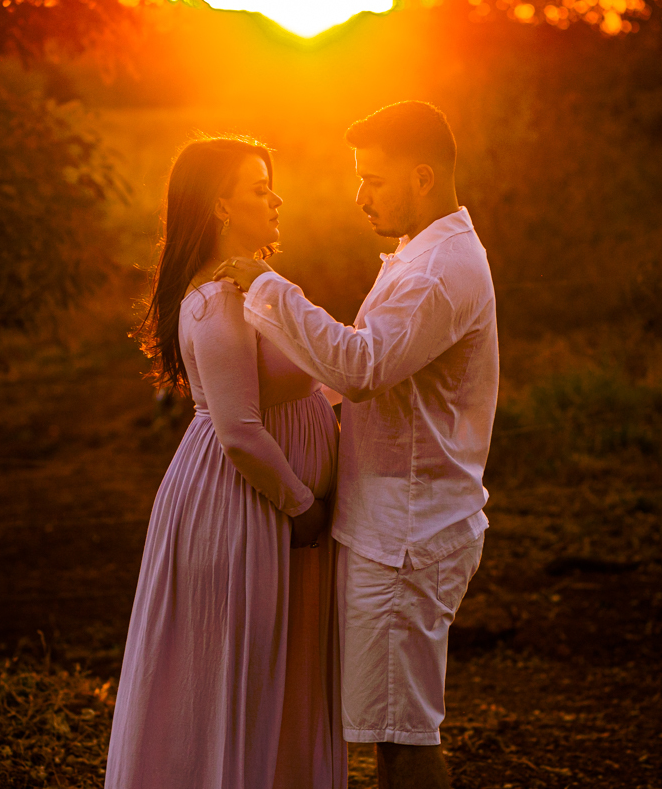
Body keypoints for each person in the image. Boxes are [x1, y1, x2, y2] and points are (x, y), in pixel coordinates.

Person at [215, 101, 499, 789]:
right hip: (395, 524)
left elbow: (362, 368)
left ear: (423, 177)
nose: (359, 196)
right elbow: (370, 372)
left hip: (407, 536)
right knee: (388, 728)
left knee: (402, 738)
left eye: (373, 180)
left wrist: (269, 287)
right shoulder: (422, 252)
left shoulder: (437, 272)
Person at [105, 136, 347, 789]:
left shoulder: (257, 288)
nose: (276, 200)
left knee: (278, 678)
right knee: (236, 681)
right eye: (259, 188)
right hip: (248, 510)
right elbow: (238, 430)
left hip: (278, 511)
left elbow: (298, 382)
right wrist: (302, 505)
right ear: (219, 205)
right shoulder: (216, 301)